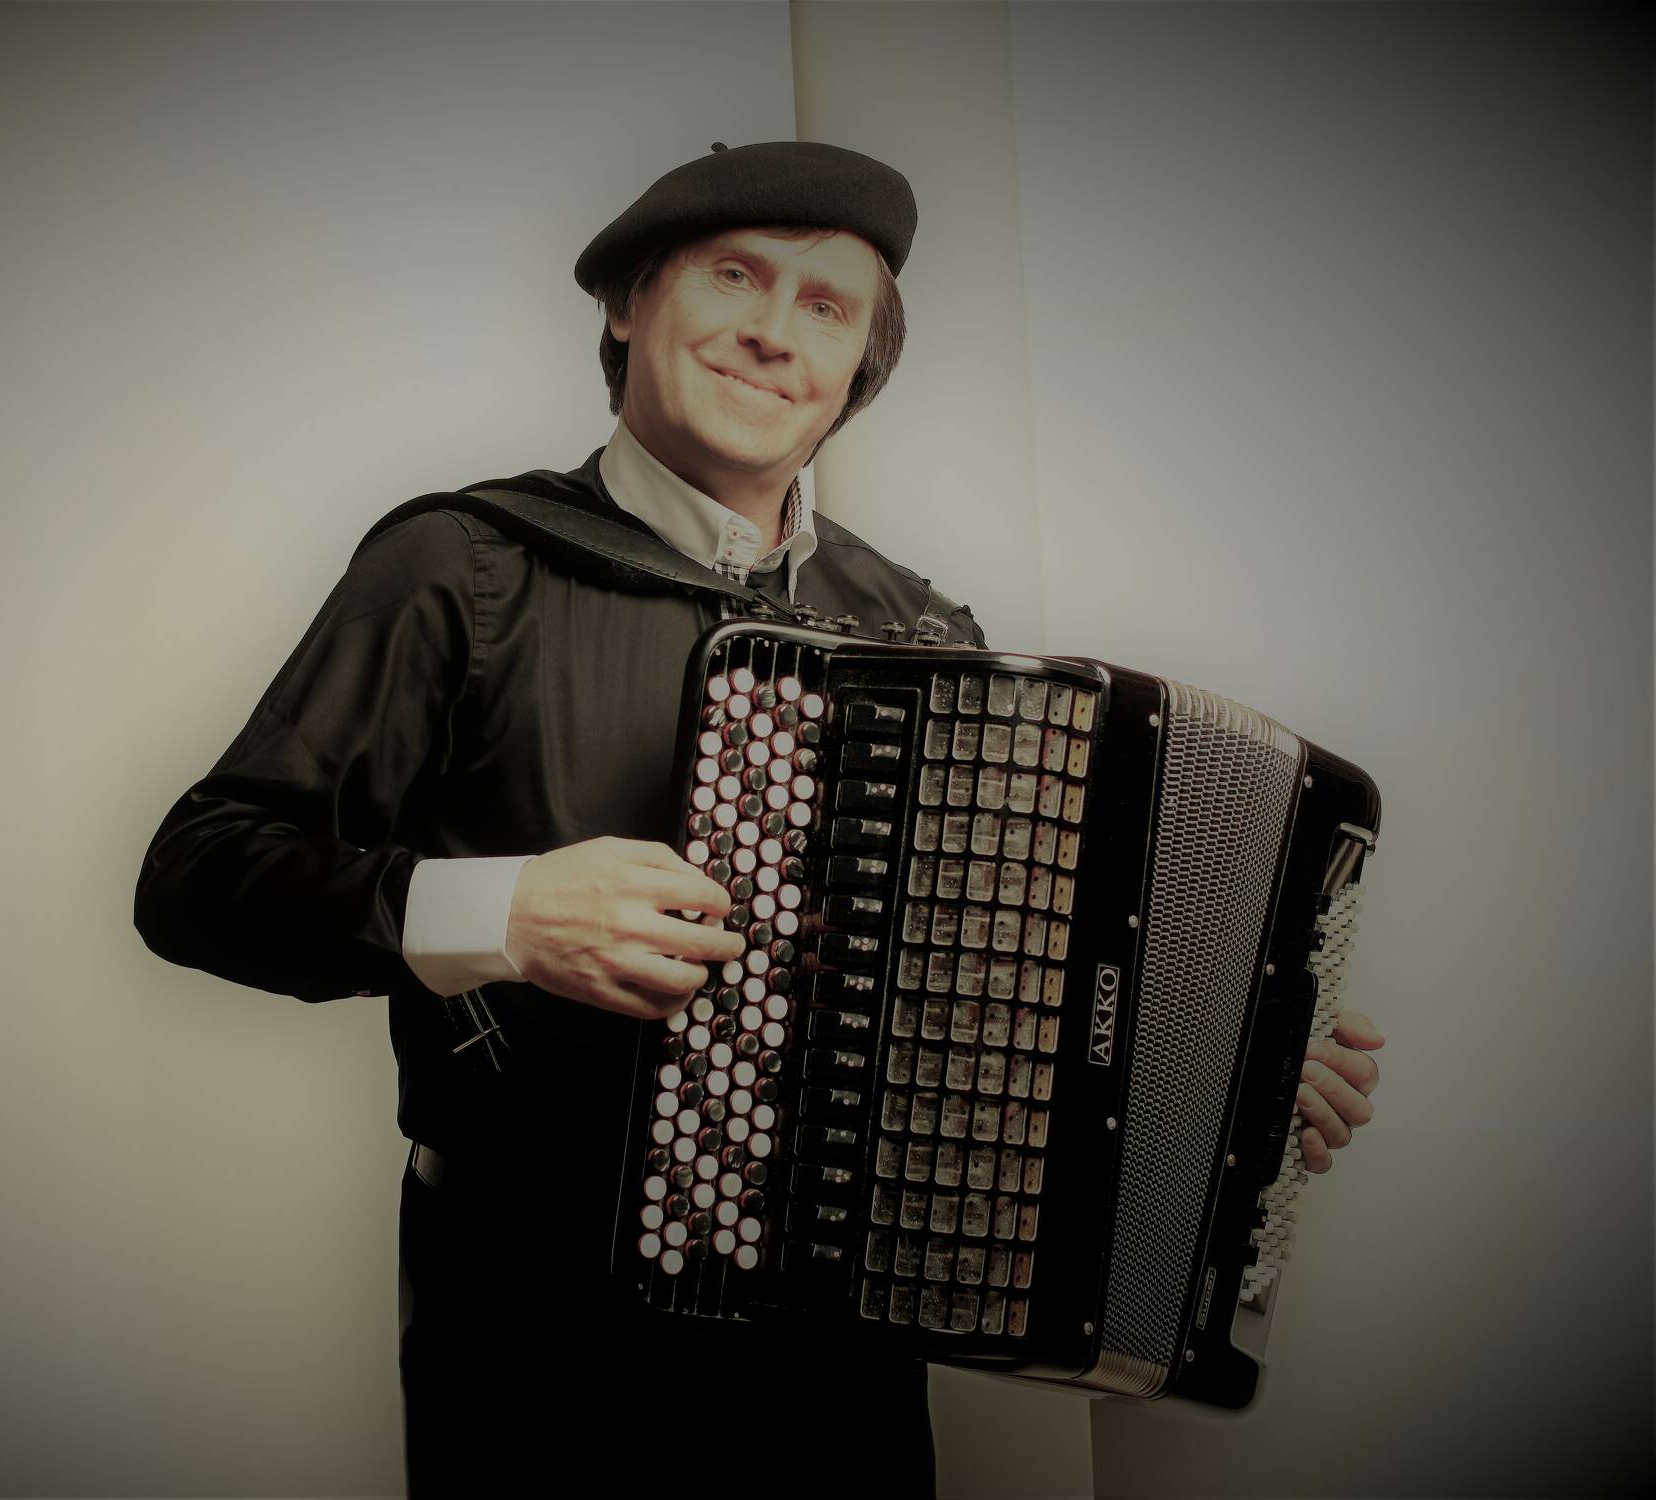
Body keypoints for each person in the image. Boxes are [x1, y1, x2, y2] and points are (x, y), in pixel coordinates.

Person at [133, 140, 1384, 1495]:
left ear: (855, 371)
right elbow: (199, 874)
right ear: (629, 302)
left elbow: (1008, 986)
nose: (775, 334)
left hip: (842, 1350)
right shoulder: (463, 563)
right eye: (735, 277)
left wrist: (1238, 1074)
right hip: (535, 1324)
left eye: (825, 308)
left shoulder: (923, 630)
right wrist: (504, 913)